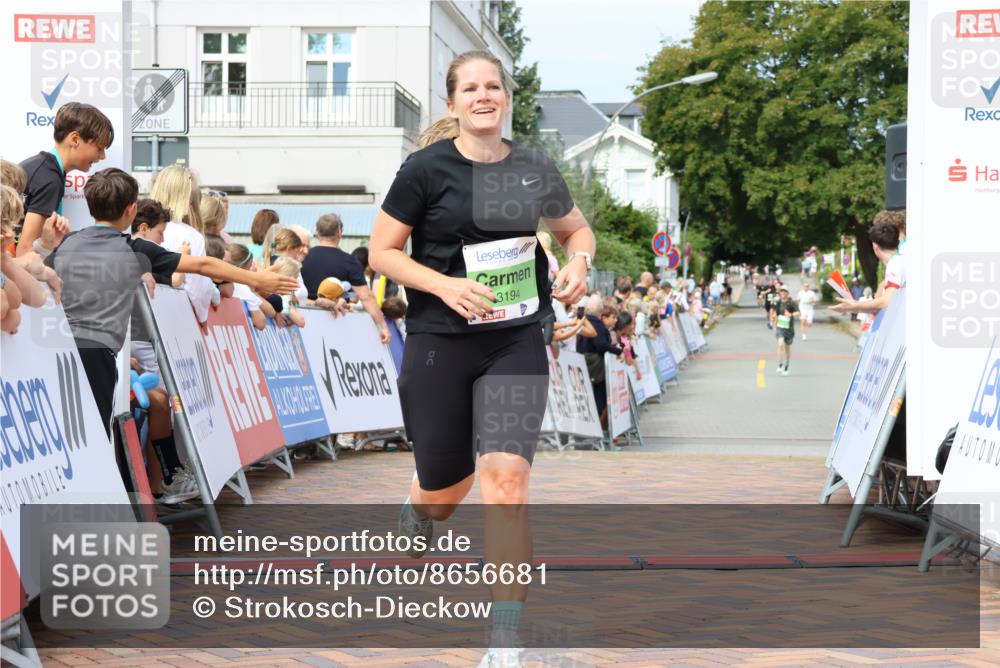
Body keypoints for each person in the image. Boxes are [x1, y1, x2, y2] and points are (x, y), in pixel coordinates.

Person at [368, 50, 595, 668]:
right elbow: (382, 253)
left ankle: (505, 638)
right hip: (440, 341)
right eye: (470, 88)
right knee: (447, 491)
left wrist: (578, 262)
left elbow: (575, 230)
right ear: (453, 103)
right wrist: (444, 286)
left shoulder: (532, 167)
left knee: (506, 481)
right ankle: (420, 509)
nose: (484, 96)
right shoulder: (425, 169)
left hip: (514, 340)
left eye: (493, 86)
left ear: (506, 98)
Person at [36, 168, 298, 438]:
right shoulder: (133, 249)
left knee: (70, 432)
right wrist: (257, 281)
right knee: (97, 432)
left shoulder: (68, 243)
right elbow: (204, 265)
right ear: (131, 210)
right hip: (98, 351)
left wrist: (43, 246)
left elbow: (35, 273)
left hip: (60, 347)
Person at [17, 103, 114, 256]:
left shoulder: (42, 167)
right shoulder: (50, 179)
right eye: (99, 148)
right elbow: (24, 252)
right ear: (75, 139)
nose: (102, 157)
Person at [301, 213, 391, 343]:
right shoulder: (350, 262)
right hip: (336, 325)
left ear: (318, 233)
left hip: (304, 322)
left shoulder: (303, 257)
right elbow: (366, 297)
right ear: (339, 233)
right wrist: (383, 326)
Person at [149, 165, 215, 323]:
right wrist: (202, 315)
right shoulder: (191, 236)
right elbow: (198, 289)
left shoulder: (138, 227)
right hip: (174, 322)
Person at [830, 219, 904, 317]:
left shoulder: (895, 264)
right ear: (898, 241)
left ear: (874, 246)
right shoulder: (903, 260)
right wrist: (861, 308)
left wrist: (855, 306)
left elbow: (886, 301)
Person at [771, 285, 799, 375]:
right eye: (781, 291)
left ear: (787, 293)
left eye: (784, 291)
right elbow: (775, 314)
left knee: (787, 348)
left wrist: (791, 314)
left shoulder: (791, 303)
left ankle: (786, 365)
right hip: (780, 327)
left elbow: (798, 312)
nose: (782, 293)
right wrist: (774, 318)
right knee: (780, 344)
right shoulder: (778, 303)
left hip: (789, 329)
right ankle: (780, 364)